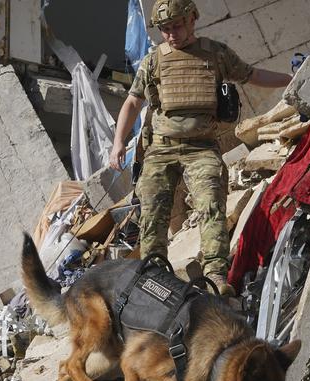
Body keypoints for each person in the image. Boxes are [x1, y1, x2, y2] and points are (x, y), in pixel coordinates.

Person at [109, 0, 293, 296]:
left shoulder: (216, 54)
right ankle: (153, 277)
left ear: (192, 19)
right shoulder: (154, 60)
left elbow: (253, 75)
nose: (171, 34)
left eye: (177, 26)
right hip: (161, 148)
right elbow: (133, 102)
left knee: (211, 204)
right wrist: (118, 143)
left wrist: (291, 80)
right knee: (153, 211)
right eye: (165, 29)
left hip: (201, 147)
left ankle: (217, 276)